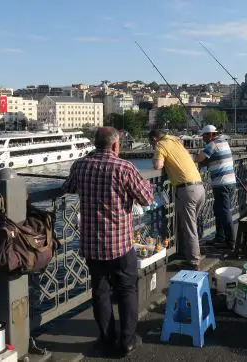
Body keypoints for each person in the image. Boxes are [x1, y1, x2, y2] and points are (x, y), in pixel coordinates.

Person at [62, 127, 154, 356]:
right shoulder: (124, 167)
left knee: (100, 292)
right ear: (115, 146)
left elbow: (68, 188)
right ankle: (127, 340)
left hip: (92, 245)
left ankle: (106, 338)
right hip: (120, 245)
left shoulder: (80, 165)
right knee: (126, 291)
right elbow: (146, 198)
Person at [149, 129, 205, 270]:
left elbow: (158, 165)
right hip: (199, 187)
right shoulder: (174, 140)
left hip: (187, 190)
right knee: (190, 224)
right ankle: (188, 253)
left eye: (151, 143)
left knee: (189, 227)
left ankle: (193, 262)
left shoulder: (160, 145)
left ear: (155, 139)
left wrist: (156, 157)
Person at [196, 125, 236, 250]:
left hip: (222, 183)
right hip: (229, 181)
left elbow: (199, 158)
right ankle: (220, 236)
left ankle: (231, 241)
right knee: (218, 209)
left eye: (205, 135)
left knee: (224, 211)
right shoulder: (224, 142)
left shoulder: (212, 144)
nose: (203, 138)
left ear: (211, 134)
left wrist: (199, 158)